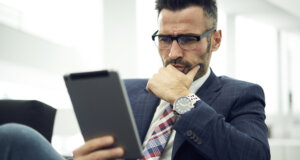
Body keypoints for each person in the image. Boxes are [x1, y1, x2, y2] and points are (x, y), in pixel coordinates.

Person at [0, 0, 270, 159]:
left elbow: (255, 156)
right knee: (12, 137)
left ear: (216, 40)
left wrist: (181, 99)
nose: (174, 53)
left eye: (188, 39)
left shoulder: (241, 94)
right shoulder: (129, 90)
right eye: (165, 39)